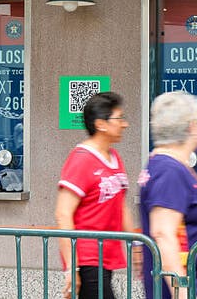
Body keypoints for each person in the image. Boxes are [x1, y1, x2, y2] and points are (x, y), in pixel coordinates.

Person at [139, 91, 197, 299]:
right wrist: (182, 293)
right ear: (191, 127)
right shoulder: (168, 170)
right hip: (189, 288)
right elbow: (163, 234)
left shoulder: (174, 166)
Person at [55, 92, 133, 299]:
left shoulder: (114, 156)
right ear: (101, 124)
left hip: (107, 254)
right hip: (87, 257)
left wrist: (136, 242)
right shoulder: (81, 159)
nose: (125, 124)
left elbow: (121, 204)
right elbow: (63, 213)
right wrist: (71, 267)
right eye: (119, 118)